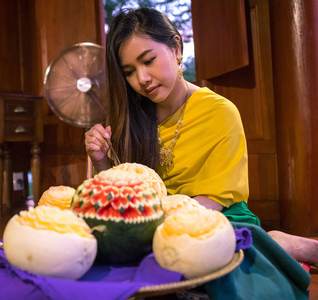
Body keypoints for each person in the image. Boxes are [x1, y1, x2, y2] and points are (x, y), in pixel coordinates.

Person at [84, 7, 316, 298]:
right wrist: (101, 159)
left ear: (176, 48)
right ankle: (273, 244)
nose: (141, 78)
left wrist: (152, 233)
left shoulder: (219, 112)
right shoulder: (129, 119)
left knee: (201, 265)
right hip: (152, 225)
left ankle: (284, 245)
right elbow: (120, 197)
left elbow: (213, 202)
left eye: (149, 61)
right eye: (129, 72)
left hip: (213, 217)